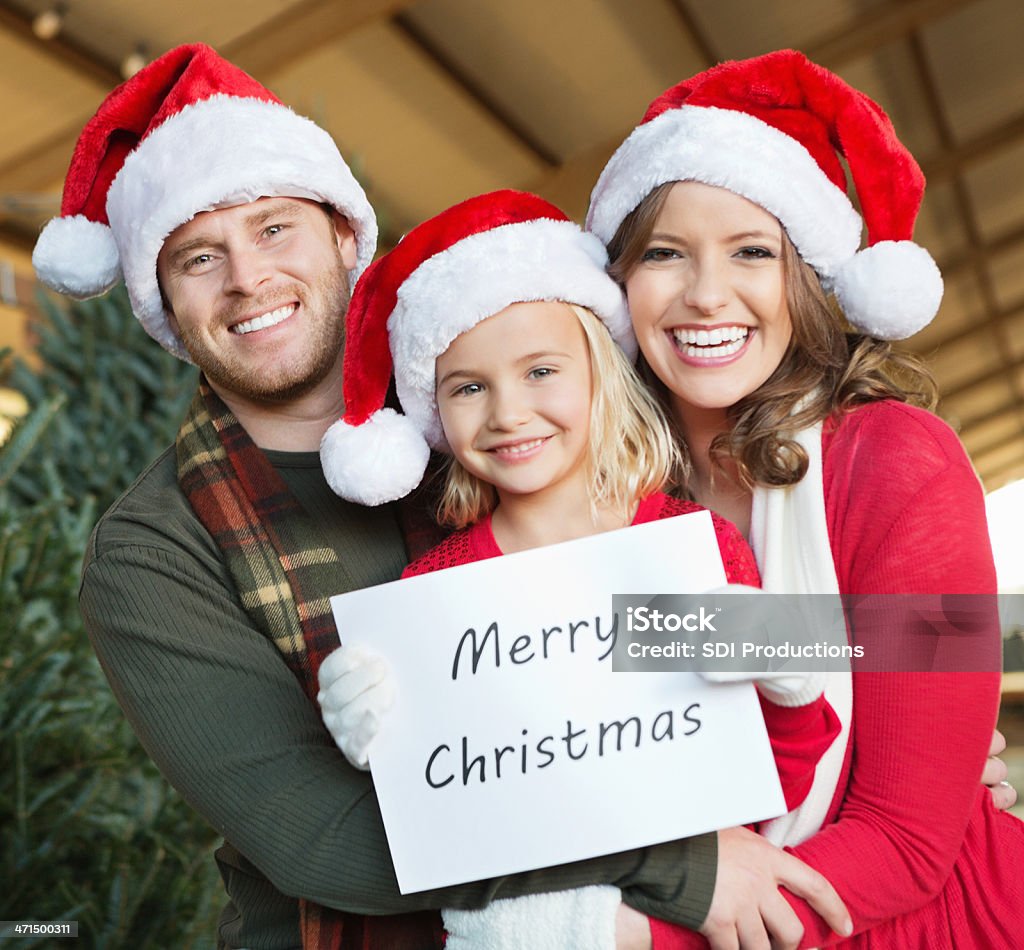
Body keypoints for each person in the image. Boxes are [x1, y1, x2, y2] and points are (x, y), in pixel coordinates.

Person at [35, 44, 851, 950]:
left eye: (275, 229)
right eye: (196, 257)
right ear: (162, 299)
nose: (246, 278)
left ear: (346, 236)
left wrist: (922, 726)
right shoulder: (154, 552)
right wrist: (674, 868)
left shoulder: (503, 423)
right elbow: (317, 835)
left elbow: (754, 607)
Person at [584, 49, 1024, 947]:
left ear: (811, 284)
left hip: (906, 919)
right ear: (620, 286)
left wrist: (619, 935)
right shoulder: (595, 492)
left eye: (754, 252)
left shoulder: (898, 460)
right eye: (665, 253)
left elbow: (906, 839)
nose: (708, 295)